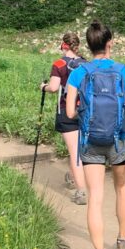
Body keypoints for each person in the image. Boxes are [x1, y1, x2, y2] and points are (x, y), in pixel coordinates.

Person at [66, 22, 125, 249]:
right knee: (121, 188)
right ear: (109, 43)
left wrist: (84, 111)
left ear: (88, 46)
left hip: (90, 142)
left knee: (95, 198)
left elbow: (69, 113)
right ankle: (122, 240)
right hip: (119, 141)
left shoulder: (78, 73)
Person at [42, 31, 88, 204]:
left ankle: (81, 191)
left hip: (66, 111)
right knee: (78, 148)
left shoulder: (59, 64)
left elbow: (54, 87)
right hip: (85, 111)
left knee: (75, 151)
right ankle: (72, 177)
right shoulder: (86, 64)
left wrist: (43, 87)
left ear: (64, 45)